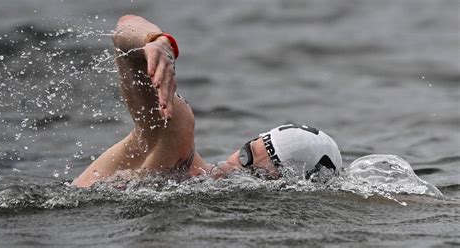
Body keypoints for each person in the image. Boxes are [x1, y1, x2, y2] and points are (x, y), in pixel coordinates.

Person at [72, 15, 342, 187]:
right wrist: (154, 41)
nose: (234, 165)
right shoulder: (177, 140)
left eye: (255, 172)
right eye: (246, 152)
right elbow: (123, 31)